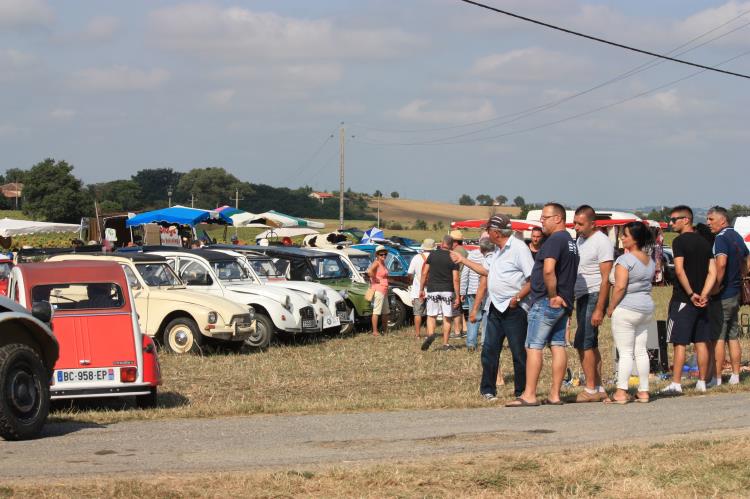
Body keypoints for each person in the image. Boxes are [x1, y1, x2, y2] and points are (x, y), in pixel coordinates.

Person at [452, 215, 534, 401]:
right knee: (489, 349)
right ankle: (487, 390)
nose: (486, 233)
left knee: (518, 352)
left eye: (488, 230)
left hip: (515, 308)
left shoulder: (519, 248)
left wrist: (517, 298)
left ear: (496, 233)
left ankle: (521, 391)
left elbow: (533, 279)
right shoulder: (497, 250)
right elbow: (485, 271)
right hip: (496, 307)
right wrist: (462, 260)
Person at [507, 202, 578, 407]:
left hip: (547, 301)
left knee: (533, 347)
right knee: (558, 346)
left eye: (545, 218)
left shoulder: (555, 240)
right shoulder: (570, 241)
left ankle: (529, 394)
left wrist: (552, 294)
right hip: (564, 302)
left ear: (558, 218)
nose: (541, 222)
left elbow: (548, 270)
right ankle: (555, 394)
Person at [661, 205, 716, 395]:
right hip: (703, 300)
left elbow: (679, 269)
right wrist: (705, 294)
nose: (671, 223)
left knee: (679, 342)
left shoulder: (679, 242)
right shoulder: (705, 242)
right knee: (701, 341)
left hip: (683, 299)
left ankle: (676, 383)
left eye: (674, 219)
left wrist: (692, 294)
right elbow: (712, 272)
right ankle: (702, 381)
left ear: (686, 220)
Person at [606, 222, 656, 404]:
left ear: (634, 239)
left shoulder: (624, 260)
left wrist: (611, 307)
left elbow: (620, 287)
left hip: (627, 308)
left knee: (625, 352)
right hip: (646, 307)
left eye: (625, 235)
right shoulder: (650, 260)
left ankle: (620, 392)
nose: (621, 237)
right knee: (641, 351)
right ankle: (643, 391)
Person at [572, 205, 613, 403]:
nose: (576, 227)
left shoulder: (602, 242)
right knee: (589, 343)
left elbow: (606, 278)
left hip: (594, 295)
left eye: (580, 224)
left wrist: (599, 308)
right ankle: (598, 386)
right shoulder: (579, 240)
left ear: (593, 224)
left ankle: (590, 389)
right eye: (575, 223)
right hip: (581, 295)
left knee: (584, 341)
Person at [707, 206, 749, 386]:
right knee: (733, 336)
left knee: (718, 337)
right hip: (736, 293)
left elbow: (721, 264)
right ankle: (735, 375)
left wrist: (715, 287)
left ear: (722, 220)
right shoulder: (737, 236)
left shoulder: (721, 238)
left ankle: (716, 378)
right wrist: (742, 278)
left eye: (711, 219)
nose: (708, 223)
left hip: (723, 295)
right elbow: (747, 259)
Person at [420, 235, 460, 351]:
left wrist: (421, 289)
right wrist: (457, 296)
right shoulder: (453, 257)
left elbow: (424, 273)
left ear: (442, 243)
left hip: (433, 289)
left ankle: (431, 334)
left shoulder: (433, 254)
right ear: (452, 245)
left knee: (431, 315)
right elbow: (456, 279)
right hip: (447, 290)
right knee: (447, 317)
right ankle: (445, 344)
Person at [459, 237, 496, 351]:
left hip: (472, 290)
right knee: (486, 316)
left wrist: (462, 291)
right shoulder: (495, 257)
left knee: (473, 316)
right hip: (487, 291)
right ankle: (485, 343)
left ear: (481, 248)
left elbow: (465, 273)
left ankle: (471, 344)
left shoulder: (471, 255)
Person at [407, 238, 434, 338]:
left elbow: (410, 273)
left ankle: (417, 334)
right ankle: (429, 334)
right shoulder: (435, 257)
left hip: (419, 290)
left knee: (417, 313)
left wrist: (410, 282)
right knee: (430, 314)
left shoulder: (416, 257)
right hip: (432, 290)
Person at [367, 245, 390, 336]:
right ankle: (375, 331)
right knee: (376, 311)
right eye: (381, 254)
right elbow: (369, 271)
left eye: (385, 254)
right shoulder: (376, 263)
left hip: (384, 289)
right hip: (379, 289)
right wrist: (375, 279)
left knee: (385, 312)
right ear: (377, 255)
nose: (384, 256)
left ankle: (385, 330)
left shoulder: (383, 263)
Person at [450, 230, 468, 338]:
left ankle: (457, 331)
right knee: (460, 307)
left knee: (455, 306)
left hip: (457, 280)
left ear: (455, 241)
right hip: (463, 281)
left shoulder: (455, 252)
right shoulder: (464, 251)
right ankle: (465, 328)